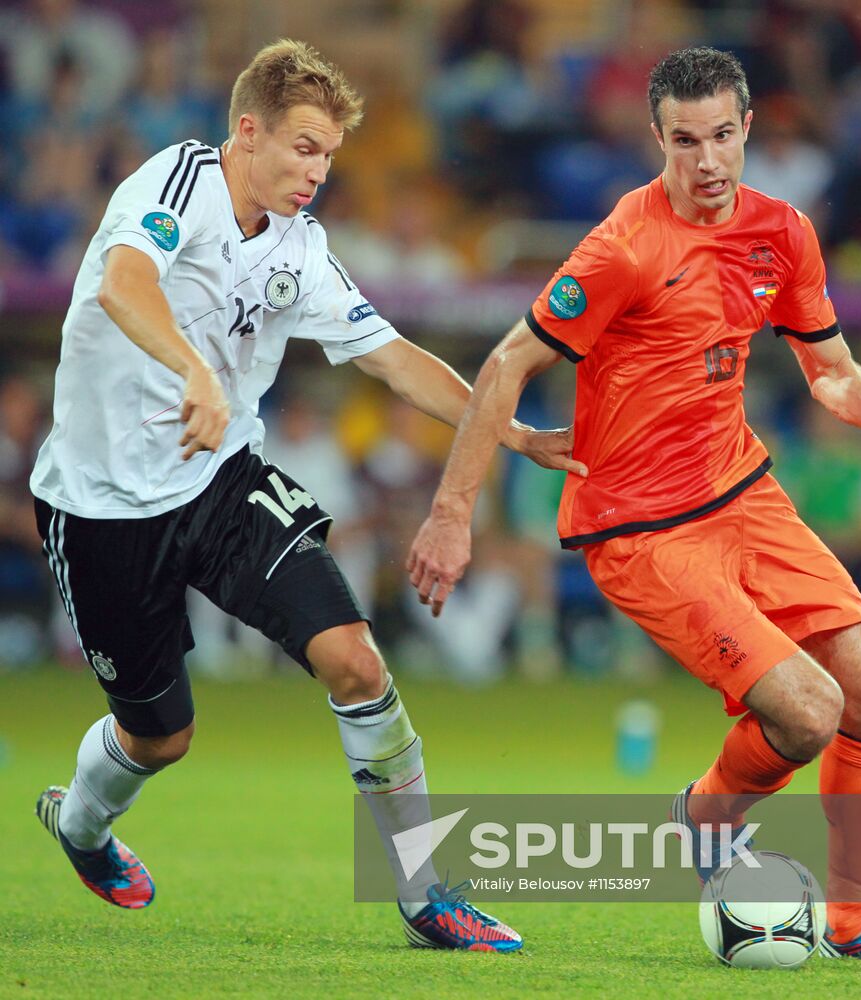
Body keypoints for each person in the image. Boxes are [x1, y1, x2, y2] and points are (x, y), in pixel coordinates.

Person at [408, 46, 861, 963]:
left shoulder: (783, 232)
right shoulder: (625, 246)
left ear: (748, 129)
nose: (706, 161)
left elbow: (828, 371)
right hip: (638, 526)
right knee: (806, 712)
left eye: (721, 137)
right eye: (683, 141)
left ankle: (856, 923)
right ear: (657, 139)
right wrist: (451, 512)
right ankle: (707, 819)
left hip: (742, 494)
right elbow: (510, 359)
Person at [31, 38, 579, 953]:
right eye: (303, 148)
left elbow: (395, 358)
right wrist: (195, 373)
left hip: (222, 482)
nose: (318, 171)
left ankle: (425, 894)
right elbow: (124, 286)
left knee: (357, 660)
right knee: (161, 737)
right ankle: (80, 826)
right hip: (102, 509)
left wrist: (507, 431)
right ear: (248, 132)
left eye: (328, 155)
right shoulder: (175, 185)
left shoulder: (304, 248)